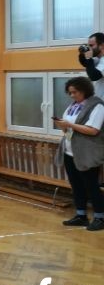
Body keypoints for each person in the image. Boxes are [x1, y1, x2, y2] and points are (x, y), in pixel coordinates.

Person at [53, 76, 104, 231]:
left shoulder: (97, 106)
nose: (72, 95)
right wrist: (62, 125)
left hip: (87, 153)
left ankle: (100, 217)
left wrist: (69, 124)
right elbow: (68, 129)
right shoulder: (73, 105)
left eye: (75, 92)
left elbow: (93, 130)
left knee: (91, 186)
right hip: (70, 151)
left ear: (84, 90)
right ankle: (81, 215)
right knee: (76, 185)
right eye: (70, 93)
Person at [78, 32, 104, 99]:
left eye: (91, 45)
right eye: (88, 46)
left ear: (102, 45)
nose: (89, 48)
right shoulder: (99, 59)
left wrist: (88, 58)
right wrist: (82, 54)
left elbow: (94, 76)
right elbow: (86, 64)